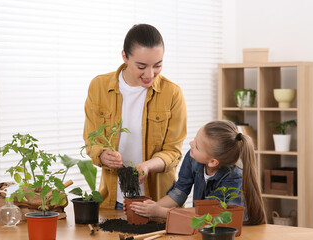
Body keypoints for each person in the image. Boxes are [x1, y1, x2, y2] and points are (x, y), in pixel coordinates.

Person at [83, 24, 187, 209]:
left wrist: (148, 165)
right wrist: (102, 155)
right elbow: (92, 140)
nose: (150, 74)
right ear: (124, 56)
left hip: (159, 203)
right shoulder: (98, 86)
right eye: (141, 66)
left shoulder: (172, 93)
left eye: (158, 65)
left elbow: (174, 151)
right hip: (113, 201)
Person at [129, 120, 266, 225]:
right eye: (195, 138)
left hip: (231, 228)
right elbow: (180, 191)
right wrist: (148, 208)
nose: (191, 143)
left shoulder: (233, 175)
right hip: (206, 225)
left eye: (197, 146)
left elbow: (209, 213)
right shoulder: (193, 157)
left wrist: (160, 212)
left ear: (213, 162)